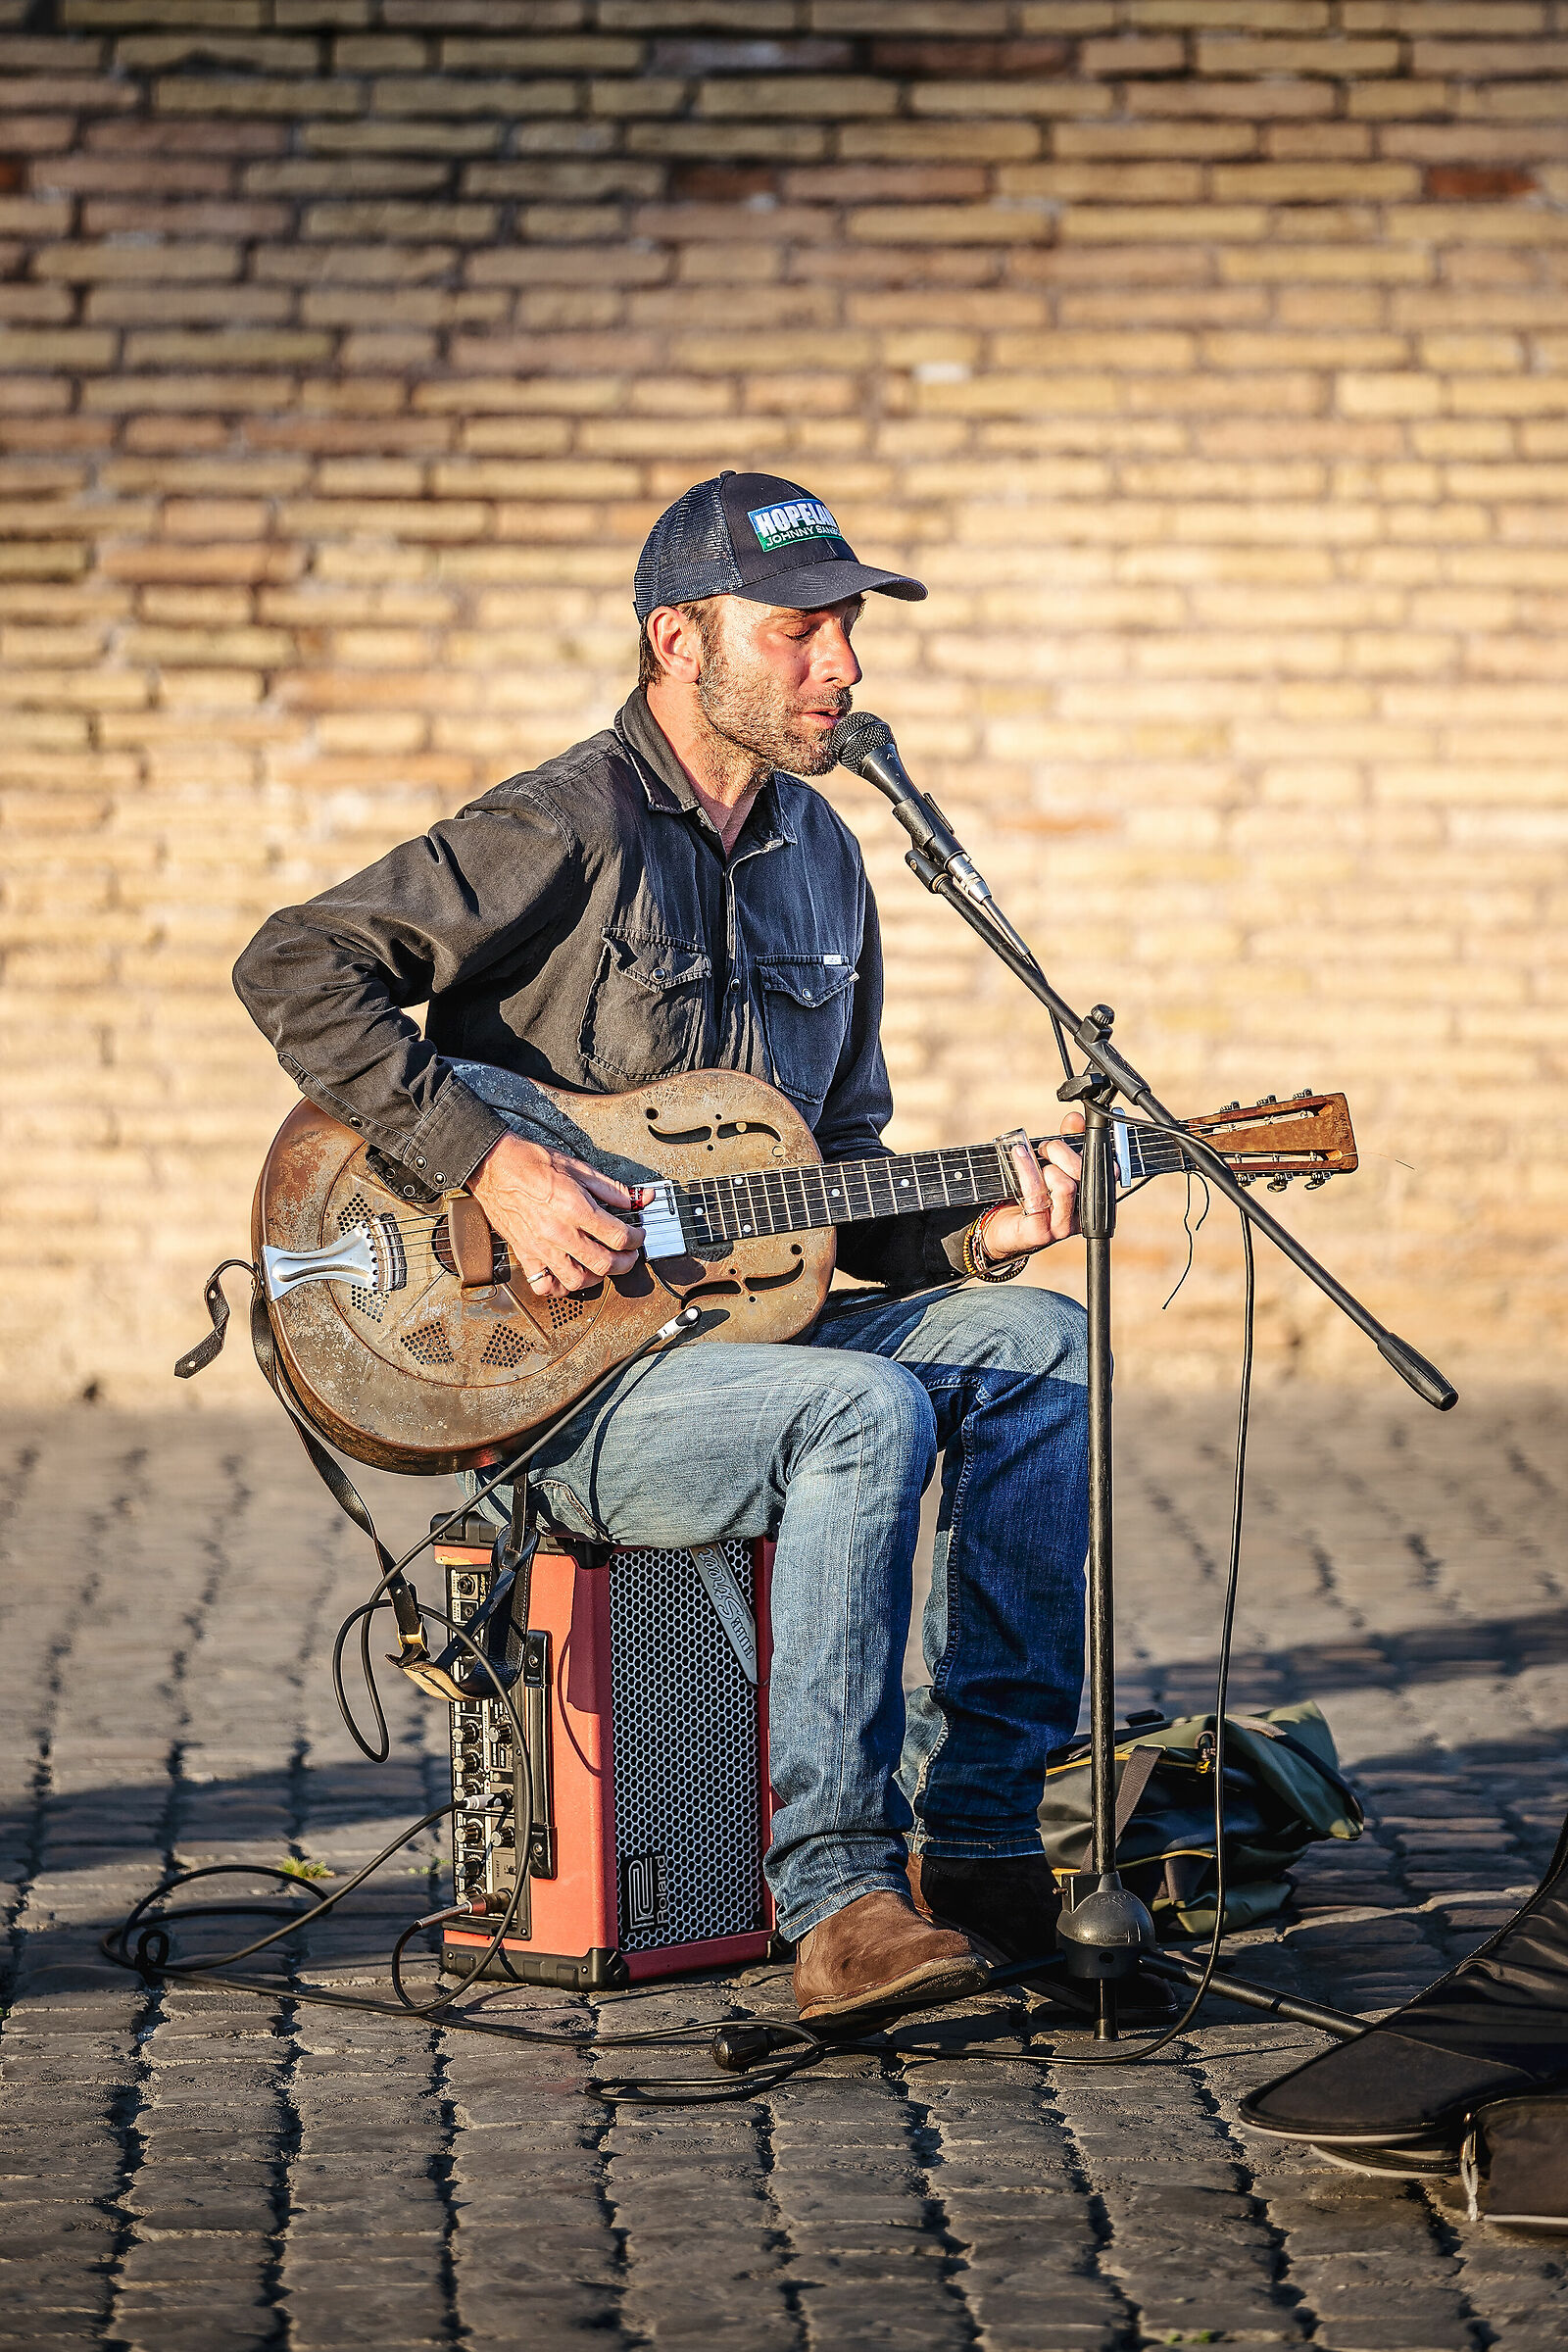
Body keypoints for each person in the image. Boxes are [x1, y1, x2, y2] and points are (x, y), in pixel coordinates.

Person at [234, 471, 1091, 2027]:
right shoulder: (557, 825)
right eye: (802, 631)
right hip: (553, 1389)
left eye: (848, 630)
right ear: (676, 640)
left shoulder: (830, 859)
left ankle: (980, 1847)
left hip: (741, 1345)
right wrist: (487, 1160)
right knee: (866, 1408)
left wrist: (972, 1226)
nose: (843, 665)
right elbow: (296, 966)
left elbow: (830, 1190)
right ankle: (837, 1897)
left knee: (1038, 1344)